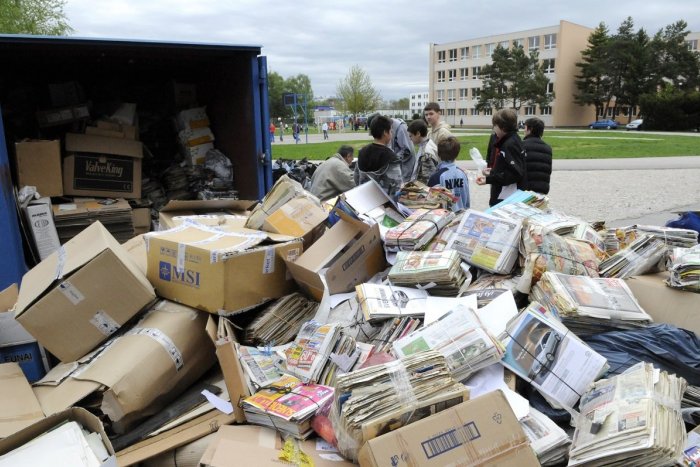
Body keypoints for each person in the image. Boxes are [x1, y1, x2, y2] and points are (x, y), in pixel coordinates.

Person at [475, 108, 527, 207]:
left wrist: (489, 179)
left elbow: (515, 173)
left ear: (502, 128)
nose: (493, 129)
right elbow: (508, 166)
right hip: (507, 194)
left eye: (495, 126)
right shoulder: (514, 139)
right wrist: (493, 171)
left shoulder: (509, 145)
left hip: (507, 197)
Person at [354, 115, 402, 198]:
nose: (391, 133)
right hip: (384, 203)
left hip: (364, 199)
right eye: (390, 131)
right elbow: (396, 185)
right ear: (385, 133)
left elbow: (356, 176)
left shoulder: (362, 151)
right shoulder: (391, 157)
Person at [368, 113, 416, 183]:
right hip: (394, 167)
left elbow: (407, 151)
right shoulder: (386, 128)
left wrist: (391, 159)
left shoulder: (400, 127)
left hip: (405, 168)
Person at [427, 137, 469, 211]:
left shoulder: (436, 176)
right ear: (457, 154)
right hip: (461, 214)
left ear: (439, 154)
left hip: (444, 218)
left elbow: (430, 202)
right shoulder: (463, 174)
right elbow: (466, 199)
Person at [522, 117, 552, 195]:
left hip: (526, 190)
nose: (524, 130)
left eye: (525, 127)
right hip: (542, 189)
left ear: (530, 129)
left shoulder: (522, 145)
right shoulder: (548, 148)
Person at [407, 119, 439, 184]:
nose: (410, 139)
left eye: (411, 136)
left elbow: (428, 180)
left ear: (418, 134)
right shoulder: (428, 143)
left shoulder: (426, 153)